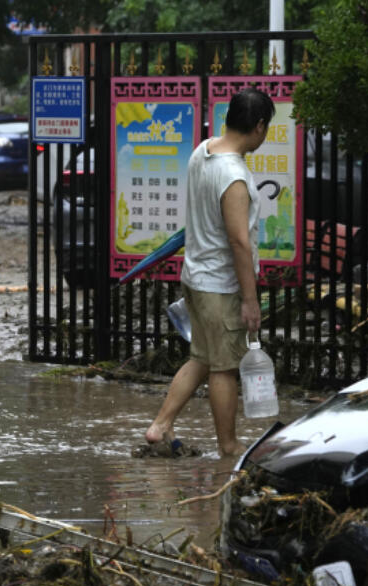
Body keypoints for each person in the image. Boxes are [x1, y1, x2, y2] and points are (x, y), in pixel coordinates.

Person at [144, 87, 274, 457]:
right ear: (259, 127)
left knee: (201, 358)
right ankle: (229, 446)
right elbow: (239, 242)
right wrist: (250, 300)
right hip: (219, 284)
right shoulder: (232, 175)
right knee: (225, 368)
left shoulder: (203, 151)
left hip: (196, 277)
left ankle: (160, 425)